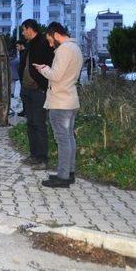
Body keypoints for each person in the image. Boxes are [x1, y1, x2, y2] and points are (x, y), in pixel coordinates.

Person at [33, 22, 83, 188]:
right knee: (69, 138)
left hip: (60, 102)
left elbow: (56, 76)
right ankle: (69, 173)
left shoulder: (63, 50)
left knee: (62, 140)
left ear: (55, 35)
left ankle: (62, 177)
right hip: (70, 99)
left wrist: (43, 69)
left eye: (49, 40)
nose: (49, 44)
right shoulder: (76, 48)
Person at [19, 19, 55, 170]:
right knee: (31, 124)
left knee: (39, 124)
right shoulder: (28, 45)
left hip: (38, 91)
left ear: (29, 29)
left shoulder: (43, 43)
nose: (22, 33)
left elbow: (50, 64)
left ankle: (43, 159)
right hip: (27, 91)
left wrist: (43, 86)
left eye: (23, 29)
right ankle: (34, 155)